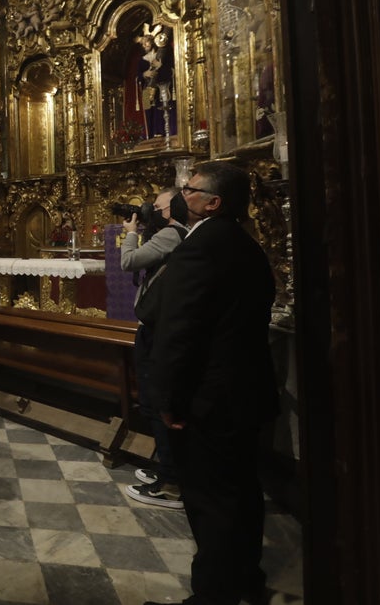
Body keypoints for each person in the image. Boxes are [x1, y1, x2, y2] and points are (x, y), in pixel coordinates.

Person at [143, 161, 277, 605]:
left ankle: (212, 595)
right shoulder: (245, 244)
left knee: (210, 500)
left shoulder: (203, 246)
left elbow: (179, 330)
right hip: (244, 394)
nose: (184, 193)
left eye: (191, 188)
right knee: (241, 491)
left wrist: (167, 400)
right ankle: (245, 578)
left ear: (213, 203)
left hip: (208, 400)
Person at [119, 189, 189, 509]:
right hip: (157, 327)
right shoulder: (170, 234)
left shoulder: (173, 235)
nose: (150, 212)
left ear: (169, 211)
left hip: (159, 331)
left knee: (158, 402)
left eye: (156, 207)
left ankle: (172, 480)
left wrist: (131, 235)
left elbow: (129, 262)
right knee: (153, 402)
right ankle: (167, 468)